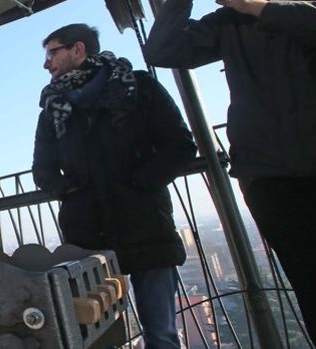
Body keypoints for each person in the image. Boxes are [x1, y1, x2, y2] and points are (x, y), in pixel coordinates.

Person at [143, 0, 316, 343]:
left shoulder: (259, 4)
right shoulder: (236, 14)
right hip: (274, 182)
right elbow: (163, 50)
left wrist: (261, 8)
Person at [33, 24, 197, 348]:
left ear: (78, 50)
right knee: (98, 336)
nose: (47, 62)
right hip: (88, 236)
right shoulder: (53, 108)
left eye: (53, 52)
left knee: (160, 334)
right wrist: (71, 192)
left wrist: (140, 183)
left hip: (146, 225)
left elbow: (179, 144)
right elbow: (43, 169)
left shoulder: (138, 88)